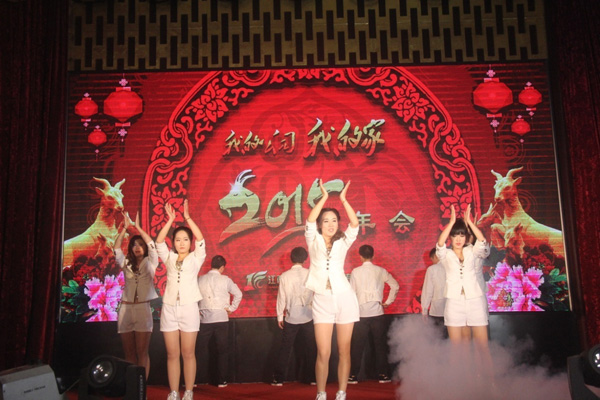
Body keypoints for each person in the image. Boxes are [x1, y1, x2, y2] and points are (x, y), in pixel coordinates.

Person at [305, 179, 359, 400]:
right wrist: (324, 197)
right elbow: (309, 220)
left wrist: (343, 200)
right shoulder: (313, 240)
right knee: (324, 352)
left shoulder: (343, 241)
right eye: (326, 220)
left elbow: (354, 224)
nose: (330, 224)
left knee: (344, 350)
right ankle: (321, 393)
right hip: (322, 299)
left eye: (334, 220)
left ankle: (341, 392)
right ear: (320, 224)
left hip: (344, 298)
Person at [156, 200, 206, 400]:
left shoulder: (196, 258)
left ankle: (189, 391)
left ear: (190, 242)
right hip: (169, 308)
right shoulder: (169, 257)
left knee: (188, 353)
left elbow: (201, 239)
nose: (182, 243)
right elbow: (159, 242)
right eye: (178, 240)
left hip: (189, 308)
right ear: (174, 242)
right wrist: (170, 220)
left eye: (185, 239)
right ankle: (174, 392)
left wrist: (187, 218)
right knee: (172, 354)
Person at [436, 205, 492, 375]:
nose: (458, 239)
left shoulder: (472, 251)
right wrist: (451, 222)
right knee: (456, 348)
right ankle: (460, 383)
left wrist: (470, 223)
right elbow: (440, 245)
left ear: (466, 236)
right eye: (455, 235)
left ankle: (491, 383)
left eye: (461, 235)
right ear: (450, 237)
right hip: (454, 302)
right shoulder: (446, 255)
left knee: (483, 346)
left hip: (475, 301)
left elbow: (482, 242)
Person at [114, 211, 158, 380]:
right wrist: (125, 229)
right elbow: (116, 249)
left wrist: (138, 228)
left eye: (140, 244)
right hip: (126, 308)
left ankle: (141, 387)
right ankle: (131, 386)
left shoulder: (151, 262)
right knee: (129, 353)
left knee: (142, 352)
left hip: (142, 309)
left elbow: (152, 245)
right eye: (134, 245)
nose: (137, 247)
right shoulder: (126, 263)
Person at [348, 244, 399, 384]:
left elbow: (351, 293)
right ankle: (383, 375)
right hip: (377, 313)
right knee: (380, 345)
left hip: (360, 314)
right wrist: (388, 302)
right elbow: (395, 285)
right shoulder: (380, 270)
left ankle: (353, 375)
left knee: (357, 346)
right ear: (373, 255)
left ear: (360, 256)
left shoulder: (355, 272)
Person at [272, 247, 316, 387]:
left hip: (291, 317)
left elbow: (281, 297)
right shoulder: (310, 274)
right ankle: (313, 378)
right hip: (309, 315)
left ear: (291, 258)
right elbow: (317, 295)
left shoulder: (285, 276)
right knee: (311, 348)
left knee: (285, 348)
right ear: (305, 259)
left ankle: (279, 379)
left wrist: (280, 316)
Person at [197, 254, 242, 388]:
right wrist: (231, 308)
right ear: (222, 267)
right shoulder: (226, 279)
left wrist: (198, 309)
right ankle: (222, 381)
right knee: (222, 351)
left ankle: (195, 379)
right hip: (221, 318)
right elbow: (239, 294)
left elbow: (194, 297)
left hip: (204, 319)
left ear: (211, 265)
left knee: (199, 350)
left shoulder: (200, 279)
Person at [420, 248, 447, 337]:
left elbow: (428, 291)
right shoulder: (454, 267)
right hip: (455, 308)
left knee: (439, 338)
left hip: (438, 309)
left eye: (432, 260)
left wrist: (424, 310)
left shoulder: (432, 269)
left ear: (435, 256)